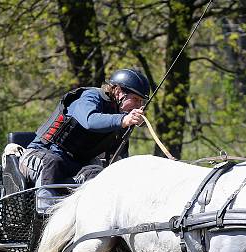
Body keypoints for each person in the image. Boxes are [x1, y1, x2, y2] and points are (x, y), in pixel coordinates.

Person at [19, 68, 151, 211]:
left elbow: (119, 159)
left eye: (141, 101)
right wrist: (124, 119)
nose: (139, 106)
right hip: (40, 154)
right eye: (136, 99)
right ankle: (44, 216)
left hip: (76, 165)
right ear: (118, 92)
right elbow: (89, 120)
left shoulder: (121, 120)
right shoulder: (90, 97)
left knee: (97, 174)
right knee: (52, 162)